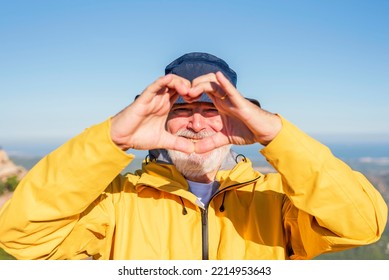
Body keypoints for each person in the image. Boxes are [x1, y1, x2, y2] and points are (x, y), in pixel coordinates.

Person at [0, 52, 387, 260]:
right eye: (181, 112)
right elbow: (22, 238)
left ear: (237, 119)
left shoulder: (276, 200)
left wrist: (275, 134)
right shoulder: (117, 203)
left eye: (214, 113)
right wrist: (111, 141)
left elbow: (360, 224)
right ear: (160, 124)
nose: (197, 125)